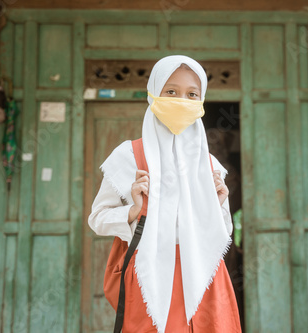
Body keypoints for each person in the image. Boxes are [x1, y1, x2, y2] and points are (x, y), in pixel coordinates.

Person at [88, 55, 241, 333]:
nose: (182, 100)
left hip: (204, 276)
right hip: (152, 277)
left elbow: (225, 231)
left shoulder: (208, 164)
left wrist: (216, 206)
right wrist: (134, 210)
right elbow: (97, 218)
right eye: (171, 92)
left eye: (192, 94)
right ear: (153, 94)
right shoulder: (129, 156)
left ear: (201, 101)